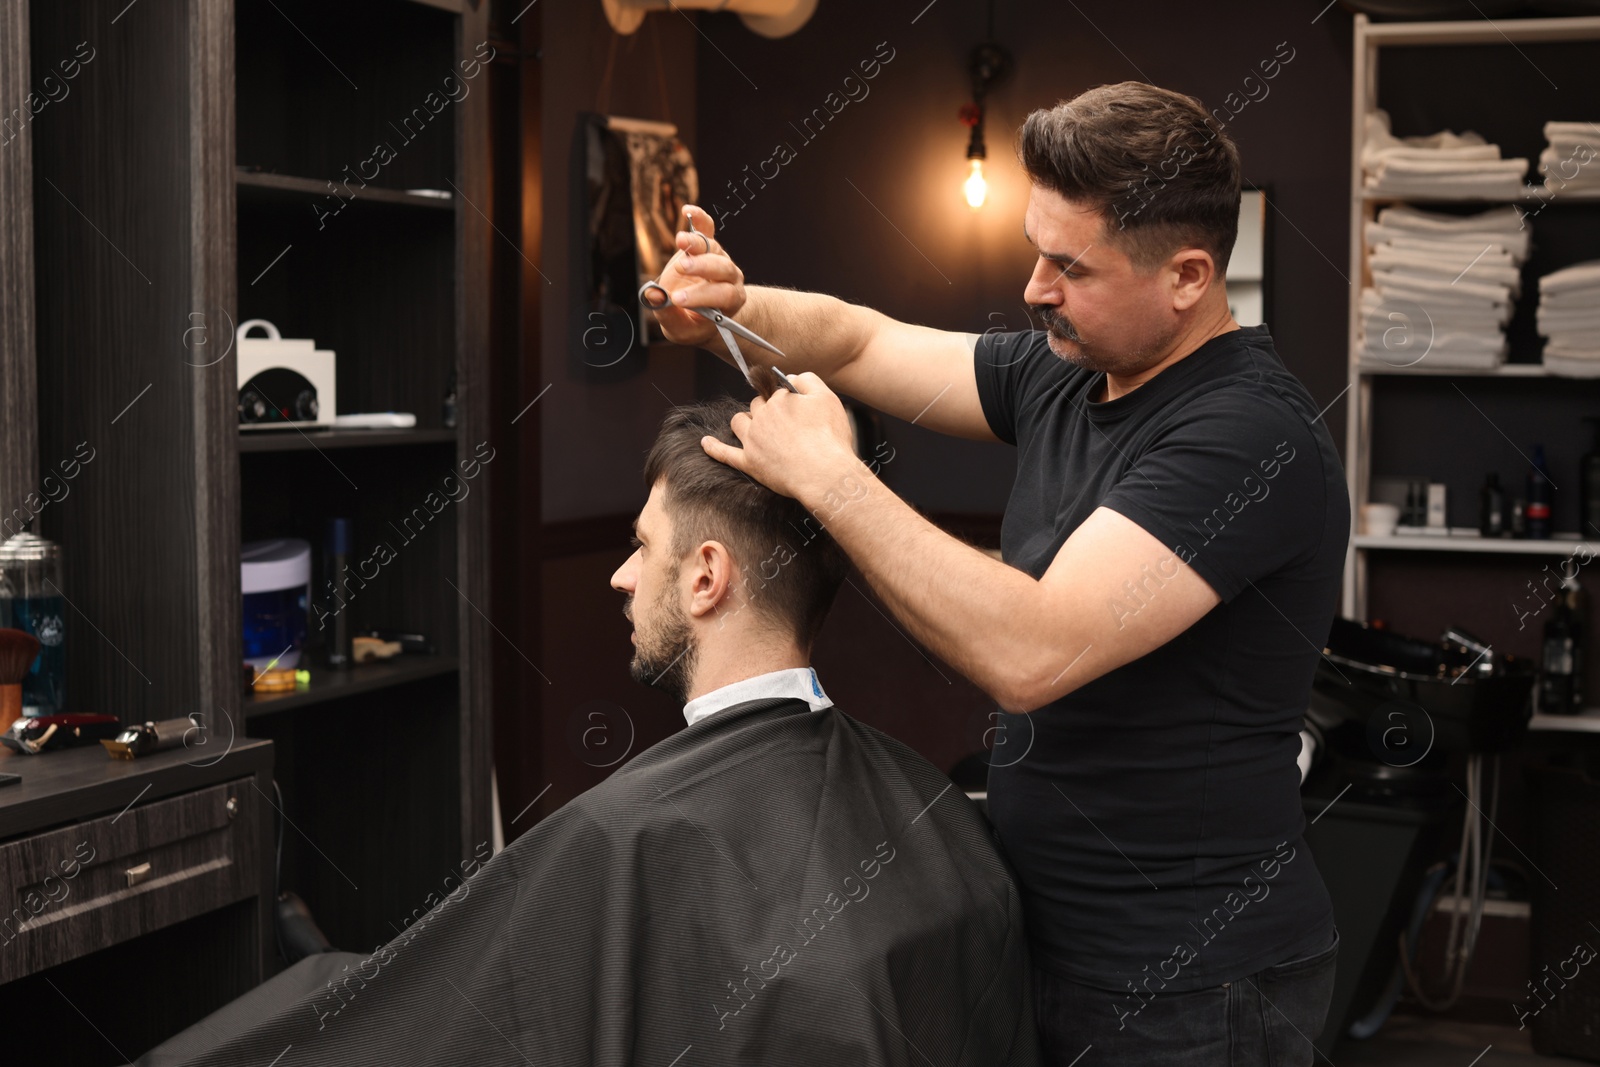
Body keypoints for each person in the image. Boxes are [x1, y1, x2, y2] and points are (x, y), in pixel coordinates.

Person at [649, 82, 1348, 1065]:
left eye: (1070, 265)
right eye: (1035, 249)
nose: (1034, 287)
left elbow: (1034, 648)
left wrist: (828, 476)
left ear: (1188, 275)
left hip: (1193, 983)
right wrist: (734, 305)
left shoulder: (1244, 434)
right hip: (1055, 938)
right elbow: (858, 340)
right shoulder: (1065, 371)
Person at [133, 398, 1040, 1067]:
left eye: (643, 546)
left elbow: (447, 1023)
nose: (617, 575)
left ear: (705, 578)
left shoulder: (627, 829)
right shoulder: (933, 803)